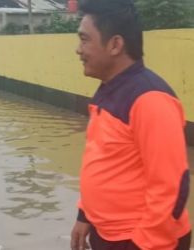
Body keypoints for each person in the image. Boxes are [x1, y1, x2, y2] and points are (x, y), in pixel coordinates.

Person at [71, 0, 191, 249]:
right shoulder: (109, 89)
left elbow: (172, 188)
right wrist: (84, 215)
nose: (78, 50)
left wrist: (143, 244)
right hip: (108, 233)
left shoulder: (150, 99)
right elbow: (102, 157)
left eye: (84, 39)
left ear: (115, 44)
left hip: (143, 239)